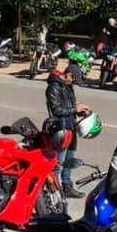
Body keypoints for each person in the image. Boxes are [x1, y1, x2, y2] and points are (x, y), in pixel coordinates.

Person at [45, 66, 91, 197]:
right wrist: (75, 109)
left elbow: (70, 106)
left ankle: (67, 187)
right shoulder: (54, 87)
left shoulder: (68, 86)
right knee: (58, 163)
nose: (74, 83)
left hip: (71, 126)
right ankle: (54, 191)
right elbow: (57, 110)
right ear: (68, 74)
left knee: (70, 160)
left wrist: (80, 111)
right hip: (61, 128)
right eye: (74, 80)